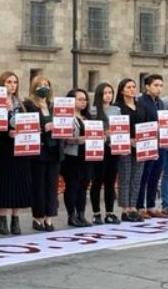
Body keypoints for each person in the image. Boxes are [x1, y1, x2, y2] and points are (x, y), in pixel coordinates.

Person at [0, 71, 31, 236]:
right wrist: (7, 132)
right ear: (2, 84)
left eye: (14, 82)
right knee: (4, 183)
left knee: (18, 183)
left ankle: (15, 218)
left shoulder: (21, 103)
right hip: (4, 148)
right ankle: (2, 219)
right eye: (8, 82)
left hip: (20, 149)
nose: (12, 85)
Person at [23, 76, 62, 232]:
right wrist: (44, 127)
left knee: (52, 185)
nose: (44, 87)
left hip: (54, 150)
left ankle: (49, 217)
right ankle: (38, 217)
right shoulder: (28, 105)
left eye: (46, 84)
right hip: (39, 150)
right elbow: (26, 125)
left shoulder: (53, 106)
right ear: (34, 88)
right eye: (40, 85)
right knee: (39, 185)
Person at [115, 78, 146, 223]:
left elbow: (145, 125)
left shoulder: (140, 106)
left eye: (134, 87)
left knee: (136, 178)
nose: (132, 89)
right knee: (125, 178)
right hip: (124, 147)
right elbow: (115, 128)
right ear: (122, 90)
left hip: (140, 147)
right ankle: (125, 209)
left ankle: (133, 207)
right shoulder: (117, 107)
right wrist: (128, 139)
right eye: (128, 87)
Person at [135, 74, 167, 218]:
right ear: (147, 86)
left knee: (155, 175)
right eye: (156, 85)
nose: (159, 88)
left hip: (160, 144)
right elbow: (140, 122)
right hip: (146, 143)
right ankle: (140, 207)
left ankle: (151, 206)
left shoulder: (161, 102)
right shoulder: (141, 101)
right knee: (144, 176)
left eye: (161, 85)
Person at [60, 88, 92, 227]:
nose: (83, 102)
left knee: (84, 186)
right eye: (80, 99)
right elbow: (62, 137)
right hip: (72, 156)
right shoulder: (66, 117)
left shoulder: (87, 117)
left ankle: (81, 214)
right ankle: (71, 215)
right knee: (72, 185)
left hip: (87, 155)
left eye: (85, 99)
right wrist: (75, 139)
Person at [89, 82, 120, 225]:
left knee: (110, 181)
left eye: (110, 93)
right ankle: (96, 213)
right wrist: (102, 133)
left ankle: (110, 212)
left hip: (113, 148)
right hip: (98, 148)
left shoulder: (116, 109)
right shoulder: (93, 110)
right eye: (105, 93)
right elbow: (90, 128)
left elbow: (121, 127)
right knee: (97, 181)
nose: (108, 95)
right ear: (99, 94)